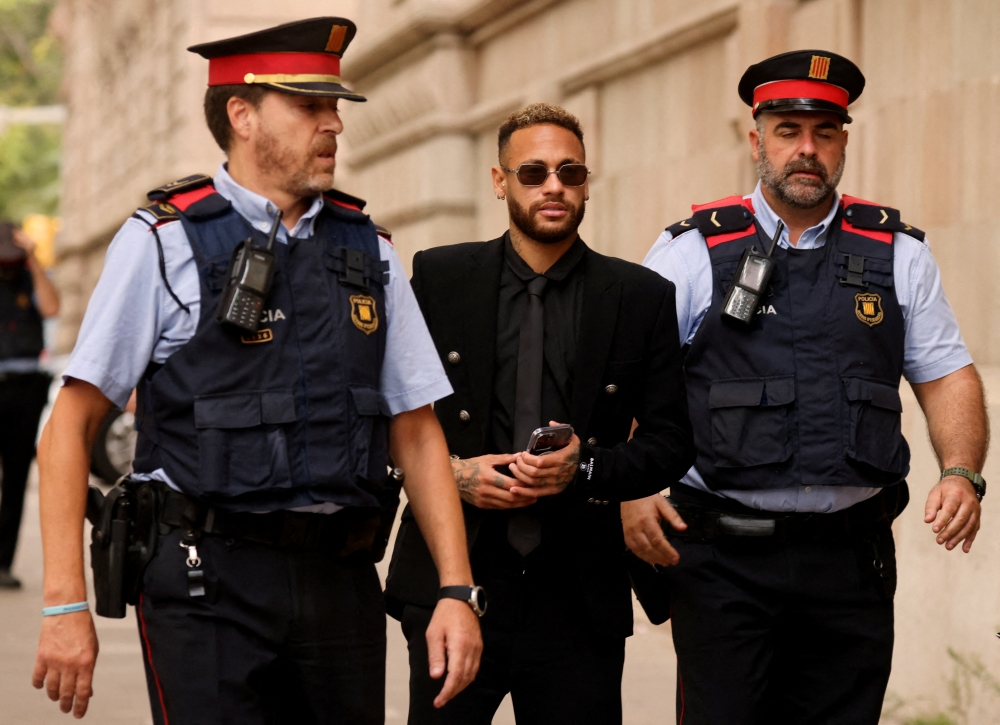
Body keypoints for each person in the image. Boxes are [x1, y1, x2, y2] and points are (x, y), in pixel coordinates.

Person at [31, 17, 482, 723]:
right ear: (242, 115)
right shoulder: (162, 242)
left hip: (340, 580)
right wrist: (65, 604)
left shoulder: (370, 251)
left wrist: (457, 591)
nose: (333, 123)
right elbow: (70, 424)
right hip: (206, 583)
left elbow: (418, 431)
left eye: (335, 106)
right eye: (309, 106)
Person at [625, 50, 989, 724]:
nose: (807, 150)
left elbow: (947, 375)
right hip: (723, 564)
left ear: (844, 141)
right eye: (788, 130)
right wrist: (632, 489)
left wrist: (961, 471)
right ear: (755, 138)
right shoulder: (691, 252)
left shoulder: (898, 253)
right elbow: (630, 379)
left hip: (850, 563)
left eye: (824, 132)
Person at [384, 103, 695, 725]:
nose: (554, 186)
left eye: (570, 172)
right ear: (500, 182)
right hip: (458, 579)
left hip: (578, 596)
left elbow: (671, 442)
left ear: (587, 183)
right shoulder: (440, 277)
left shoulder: (640, 296)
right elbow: (391, 418)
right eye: (533, 172)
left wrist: (586, 468)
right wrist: (456, 475)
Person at [0, 221, 58, 589]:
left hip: (25, 388)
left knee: (16, 477)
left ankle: (2, 562)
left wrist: (34, 260)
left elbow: (51, 307)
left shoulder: (31, 278)